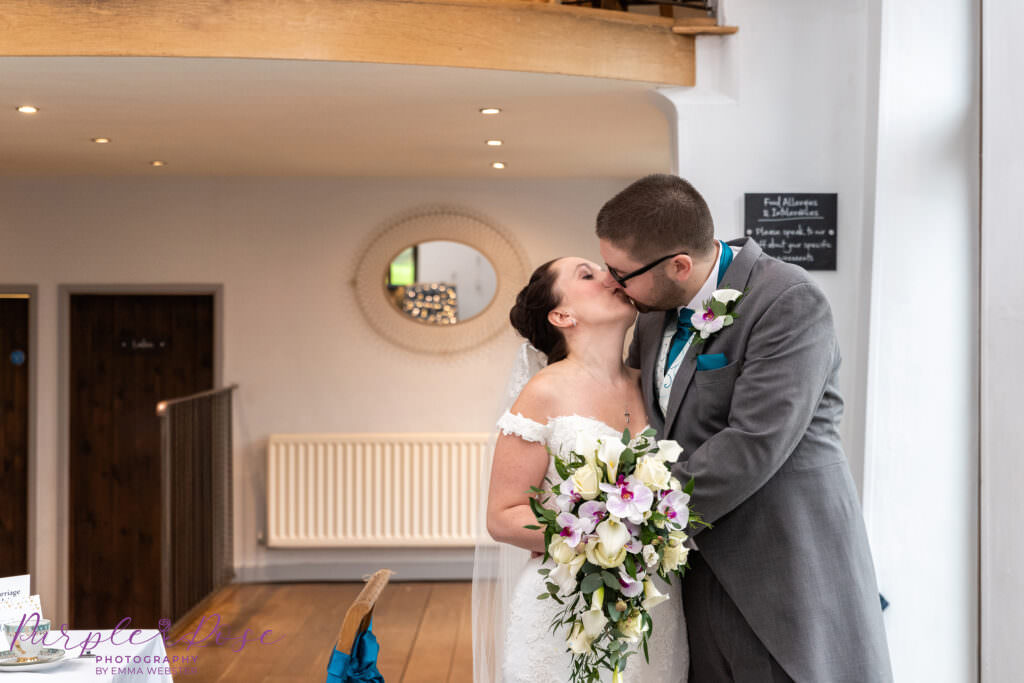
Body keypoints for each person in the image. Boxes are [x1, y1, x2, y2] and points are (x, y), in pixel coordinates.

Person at [597, 174, 893, 682]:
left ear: (679, 265)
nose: (611, 283)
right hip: (694, 576)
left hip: (781, 567)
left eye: (619, 272)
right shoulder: (649, 319)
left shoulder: (787, 299)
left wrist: (635, 519)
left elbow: (754, 443)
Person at [483, 256, 688, 682]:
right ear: (562, 315)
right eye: (587, 274)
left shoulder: (651, 385)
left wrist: (645, 535)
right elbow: (503, 517)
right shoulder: (543, 393)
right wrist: (597, 542)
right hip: (566, 606)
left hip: (651, 605)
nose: (610, 277)